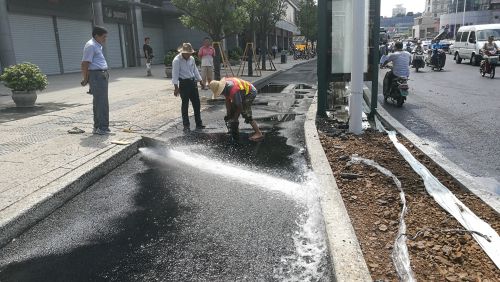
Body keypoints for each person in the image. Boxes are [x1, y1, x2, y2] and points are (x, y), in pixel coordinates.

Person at [209, 77, 263, 141]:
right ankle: (235, 130)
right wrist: (229, 114)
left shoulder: (233, 90)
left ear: (222, 88)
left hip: (250, 92)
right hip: (241, 92)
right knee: (232, 111)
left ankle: (258, 133)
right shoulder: (225, 86)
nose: (220, 94)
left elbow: (240, 107)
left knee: (245, 112)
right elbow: (227, 101)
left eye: (220, 92)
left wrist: (234, 119)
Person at [81, 26, 110, 135]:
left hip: (100, 75)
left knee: (100, 102)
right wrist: (85, 79)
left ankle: (100, 127)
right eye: (104, 37)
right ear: (96, 35)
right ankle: (102, 128)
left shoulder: (97, 45)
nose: (105, 39)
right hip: (97, 76)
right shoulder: (91, 46)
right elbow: (84, 64)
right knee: (101, 102)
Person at [172, 43, 205, 132]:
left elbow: (195, 70)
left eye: (190, 53)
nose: (190, 54)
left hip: (192, 82)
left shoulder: (192, 59)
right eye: (188, 53)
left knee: (197, 104)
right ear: (183, 52)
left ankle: (199, 123)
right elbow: (175, 74)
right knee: (185, 104)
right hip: (184, 83)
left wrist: (200, 80)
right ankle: (186, 125)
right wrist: (176, 87)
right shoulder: (177, 60)